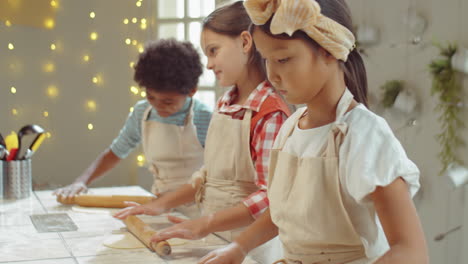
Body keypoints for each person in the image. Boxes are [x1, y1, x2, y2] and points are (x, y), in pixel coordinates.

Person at [198, 0, 429, 263]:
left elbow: (411, 252)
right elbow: (283, 214)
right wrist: (238, 248)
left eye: (283, 59)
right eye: (266, 59)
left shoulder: (363, 136)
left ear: (329, 50)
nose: (272, 75)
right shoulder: (290, 129)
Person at [114, 1, 290, 262]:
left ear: (245, 43)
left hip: (251, 249)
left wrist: (206, 223)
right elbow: (207, 174)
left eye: (213, 51)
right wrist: (159, 205)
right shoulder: (225, 102)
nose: (209, 64)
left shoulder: (270, 113)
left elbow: (269, 197)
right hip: (216, 239)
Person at [54, 39, 212, 217]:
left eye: (168, 101)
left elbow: (214, 175)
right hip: (159, 206)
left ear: (192, 91)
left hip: (200, 210)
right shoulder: (142, 112)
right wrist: (82, 181)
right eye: (151, 97)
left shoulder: (204, 117)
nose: (158, 106)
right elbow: (116, 151)